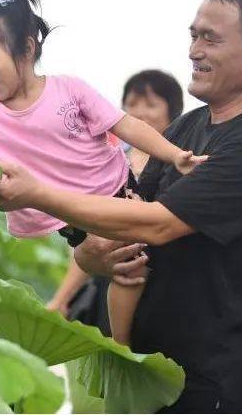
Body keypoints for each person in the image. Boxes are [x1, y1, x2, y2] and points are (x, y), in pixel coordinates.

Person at [0, 0, 242, 412]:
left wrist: (37, 194)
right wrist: (88, 254)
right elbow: (120, 214)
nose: (194, 51)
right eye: (193, 36)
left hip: (219, 383)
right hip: (152, 375)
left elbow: (158, 224)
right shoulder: (186, 128)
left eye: (210, 39)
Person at [0, 0, 205, 346]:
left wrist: (173, 154)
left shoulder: (69, 90)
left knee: (132, 265)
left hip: (114, 188)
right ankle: (123, 347)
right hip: (69, 216)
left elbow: (124, 125)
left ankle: (122, 345)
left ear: (27, 49)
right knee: (127, 263)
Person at [49, 69, 184, 337]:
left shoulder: (179, 163)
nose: (140, 112)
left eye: (150, 104)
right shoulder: (109, 161)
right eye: (132, 103)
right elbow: (93, 239)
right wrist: (61, 299)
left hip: (166, 291)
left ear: (173, 110)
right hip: (110, 283)